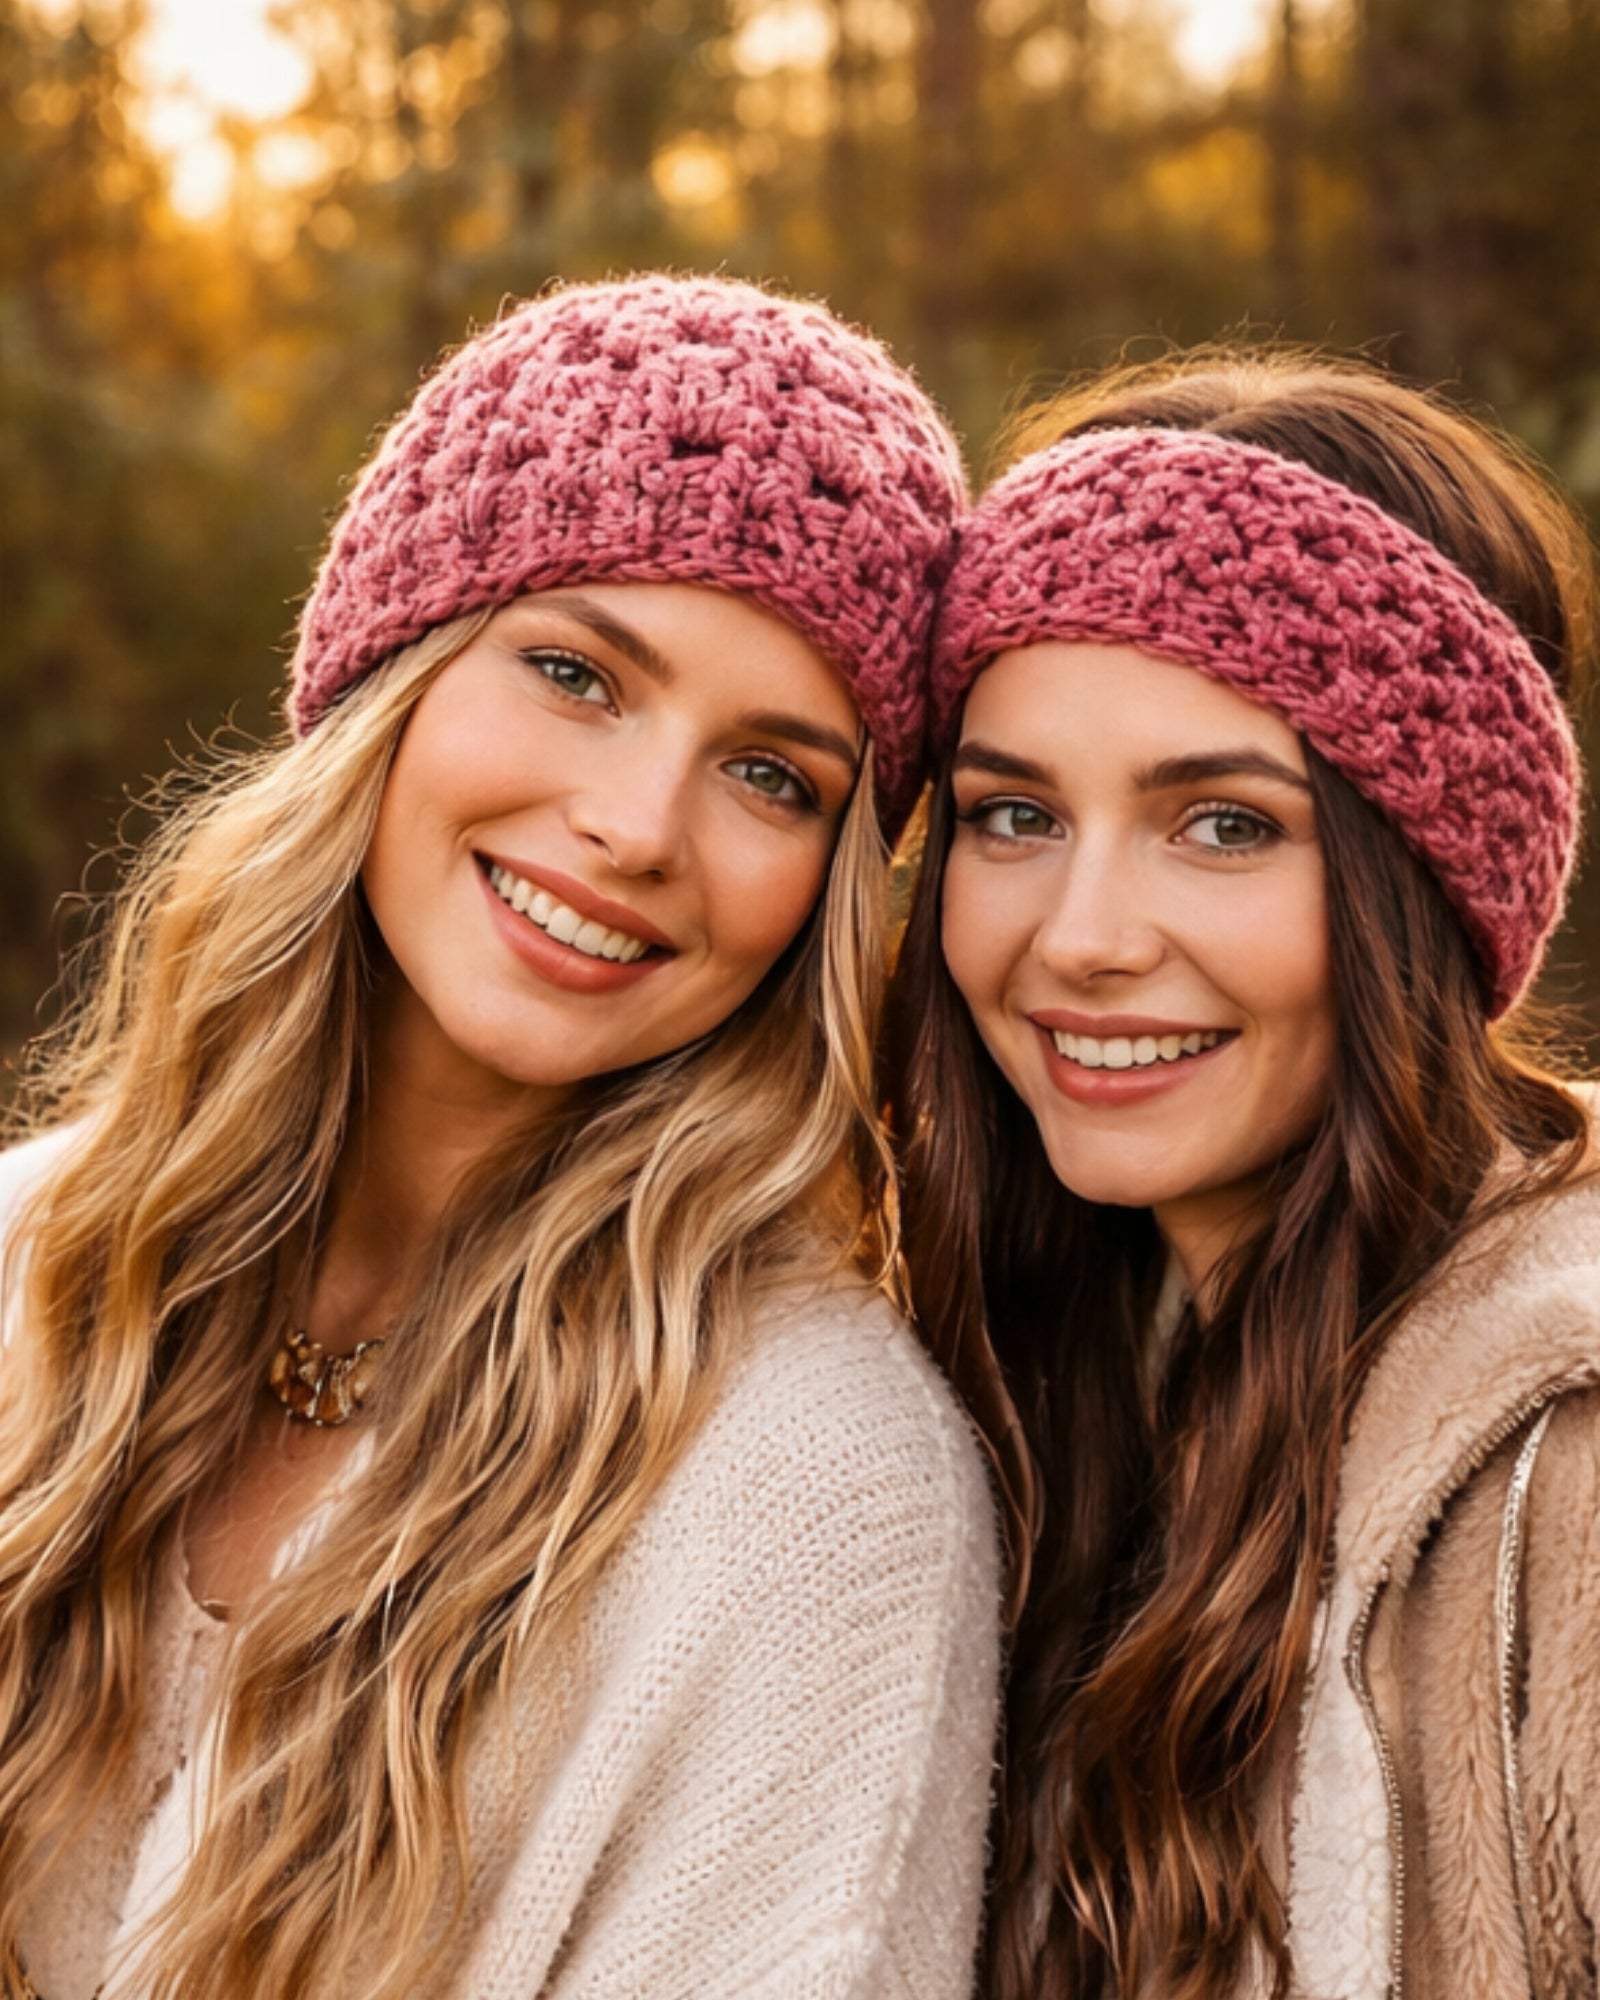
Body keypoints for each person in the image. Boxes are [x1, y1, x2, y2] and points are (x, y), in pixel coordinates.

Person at [0, 274, 1001, 2000]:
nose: (632, 826)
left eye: (775, 777)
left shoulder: (819, 1496)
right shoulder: (33, 1257)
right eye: (574, 673)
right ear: (394, 672)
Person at [892, 352, 1600, 2000]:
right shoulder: (1006, 1381)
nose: (1081, 937)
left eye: (1223, 825)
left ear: (1427, 883)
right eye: (1012, 818)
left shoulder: (1559, 1464)